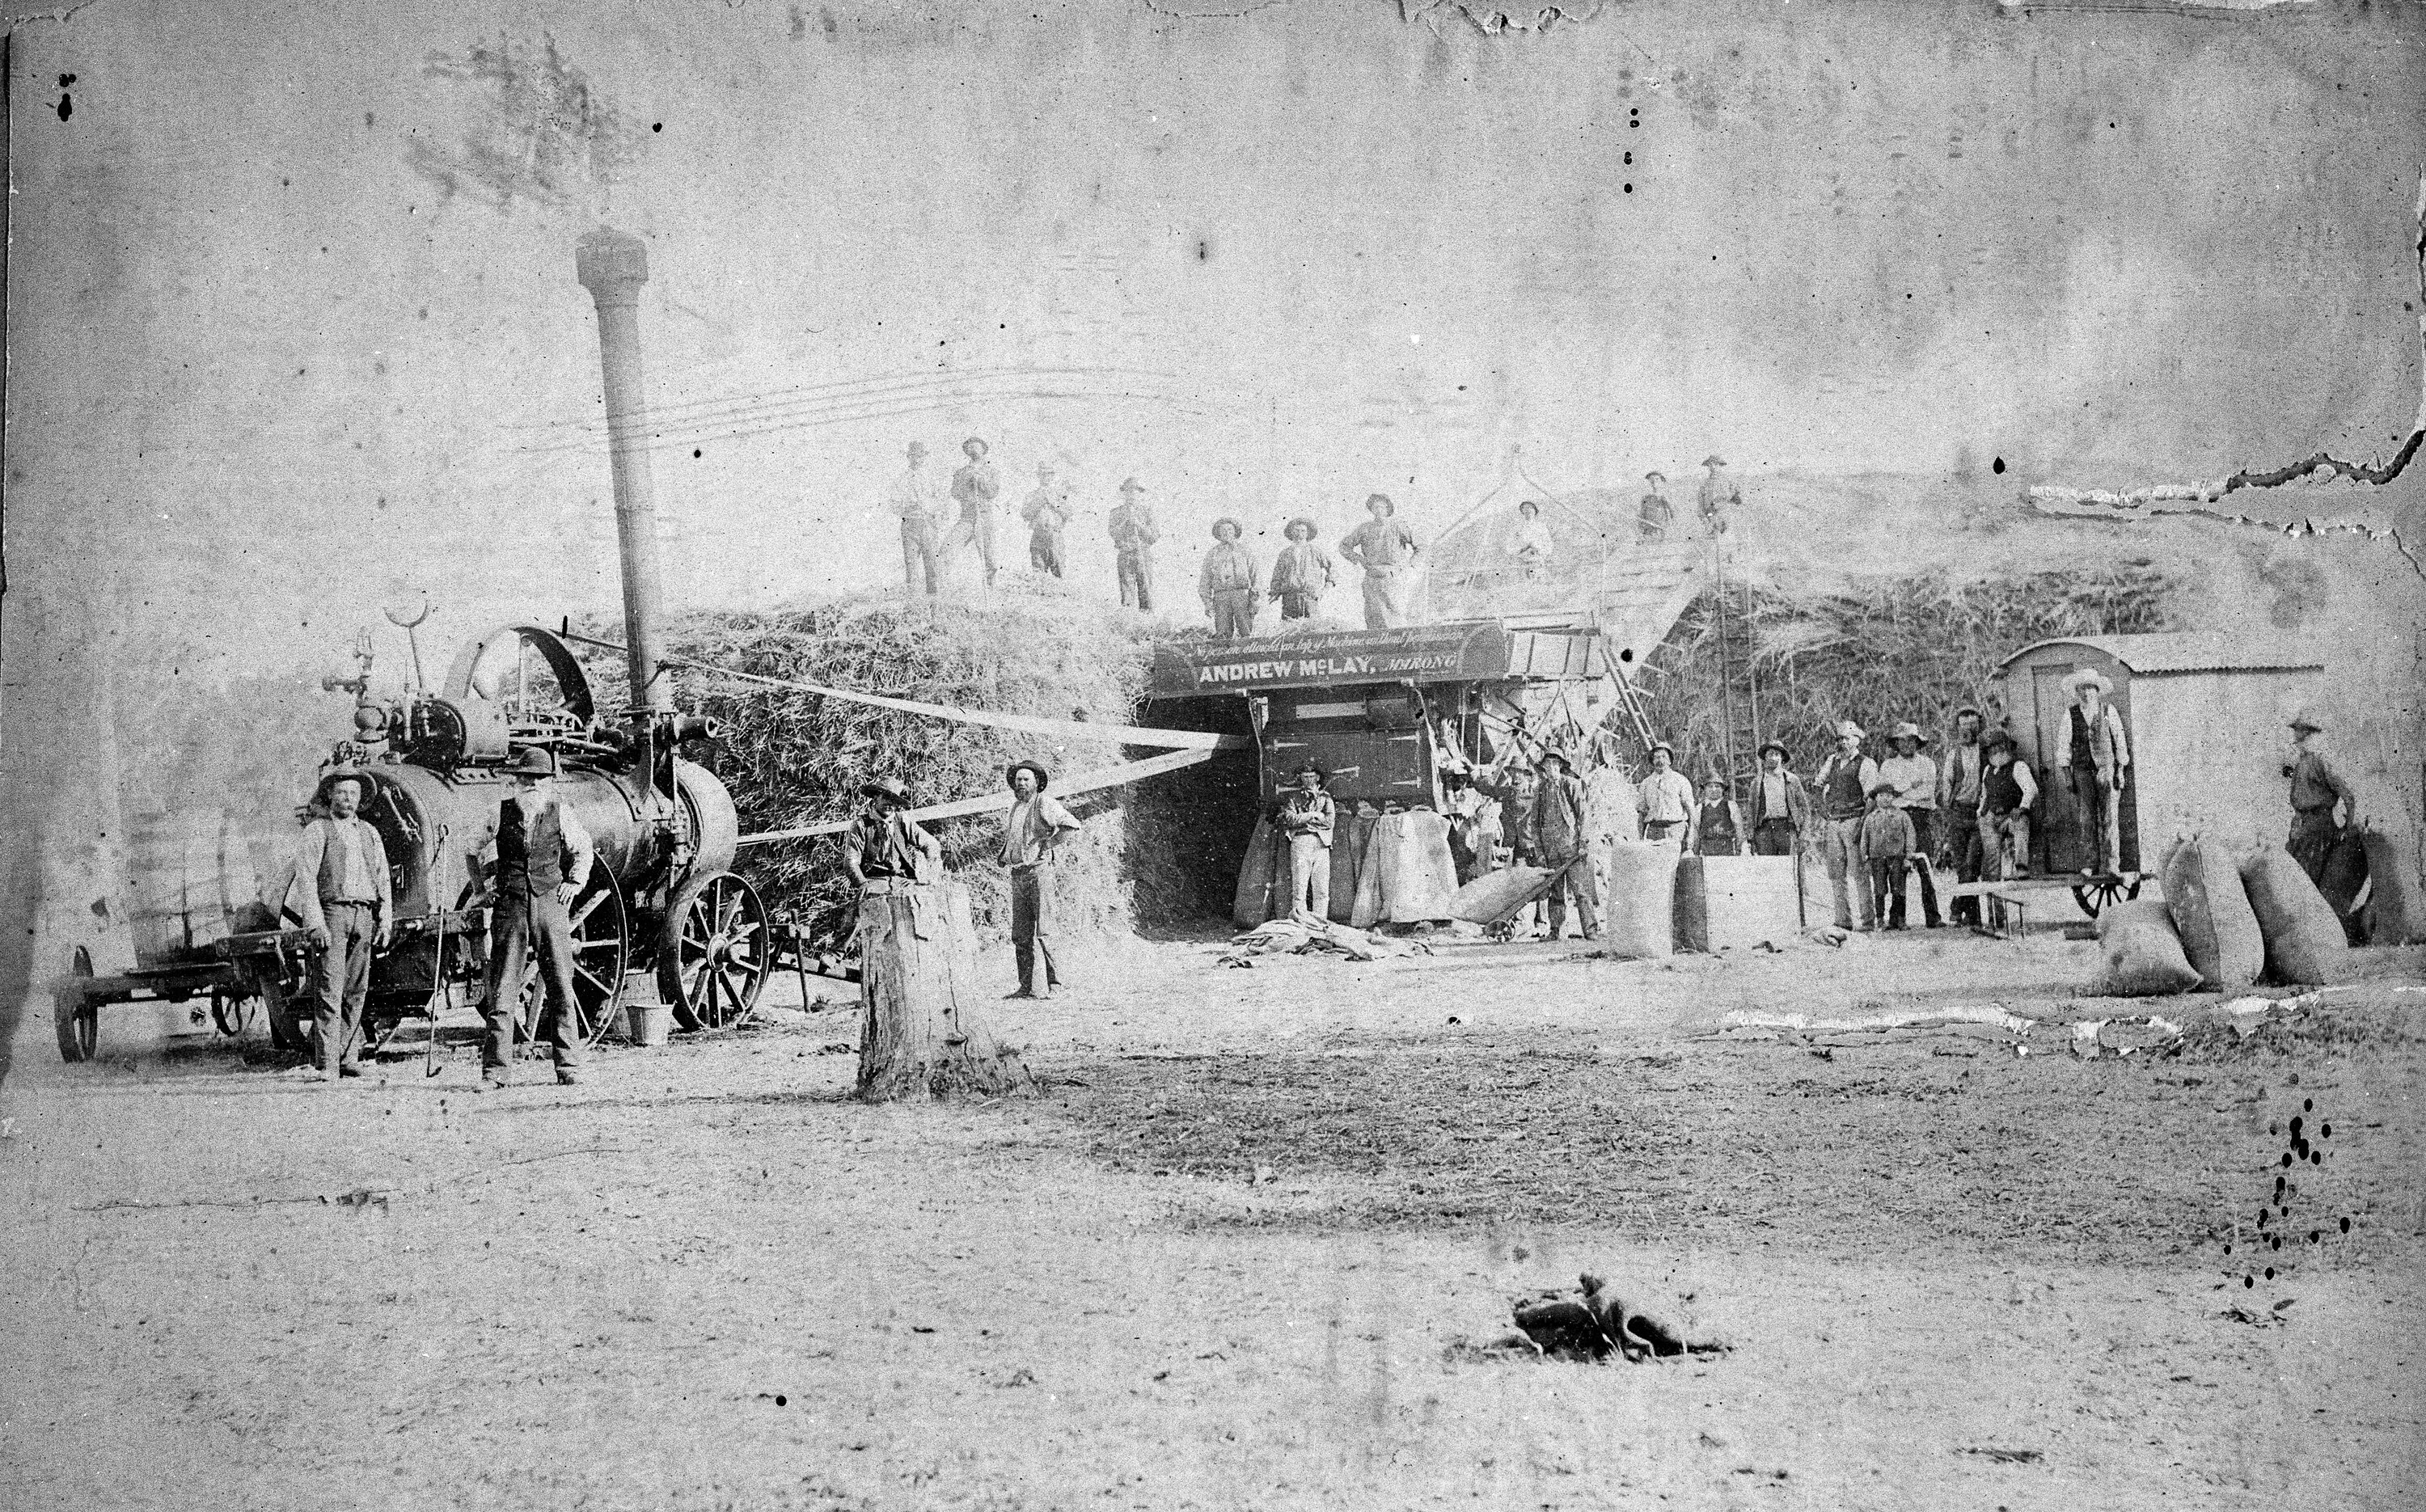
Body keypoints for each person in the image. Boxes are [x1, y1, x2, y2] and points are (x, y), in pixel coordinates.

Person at [479, 747, 595, 1091]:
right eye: (527, 777)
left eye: (540, 778)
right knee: (503, 990)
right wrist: (482, 888)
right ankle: (495, 1072)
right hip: (511, 906)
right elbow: (472, 848)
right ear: (516, 780)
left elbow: (583, 850)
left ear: (549, 782)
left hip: (550, 903)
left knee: (560, 983)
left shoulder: (561, 812)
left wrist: (575, 883)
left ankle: (568, 1065)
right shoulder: (498, 812)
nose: (532, 784)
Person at [291, 768, 392, 1082]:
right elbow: (306, 880)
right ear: (330, 796)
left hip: (364, 913)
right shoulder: (317, 831)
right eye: (342, 793)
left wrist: (385, 920)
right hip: (333, 913)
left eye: (354, 794)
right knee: (330, 989)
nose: (349, 799)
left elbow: (383, 879)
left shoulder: (370, 833)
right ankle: (327, 1064)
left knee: (356, 990)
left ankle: (348, 1057)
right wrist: (316, 923)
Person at [1000, 761, 1082, 999]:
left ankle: (1055, 985)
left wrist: (1047, 844)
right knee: (1020, 934)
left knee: (1045, 930)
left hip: (1039, 873)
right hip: (1018, 874)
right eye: (1018, 780)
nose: (1021, 783)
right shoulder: (1016, 807)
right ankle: (1026, 987)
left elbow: (1071, 825)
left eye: (1026, 779)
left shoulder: (1045, 803)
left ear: (1037, 783)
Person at [2057, 667, 2131, 875]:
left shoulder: (2108, 711)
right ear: (2077, 691)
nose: (2087, 692)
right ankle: (2090, 864)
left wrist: (2120, 770)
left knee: (2110, 818)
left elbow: (2120, 741)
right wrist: (2067, 776)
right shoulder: (2070, 714)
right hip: (2082, 773)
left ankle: (2112, 864)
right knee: (2086, 819)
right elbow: (2064, 746)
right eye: (2082, 688)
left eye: (2091, 688)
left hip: (2106, 770)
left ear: (2097, 691)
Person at [1878, 721, 1944, 929]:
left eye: (1911, 740)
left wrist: (1902, 793)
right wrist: (1908, 790)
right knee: (1898, 868)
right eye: (1902, 741)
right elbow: (1888, 793)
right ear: (1896, 743)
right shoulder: (1888, 766)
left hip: (1922, 817)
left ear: (1917, 742)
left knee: (1925, 865)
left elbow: (1927, 792)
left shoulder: (1928, 764)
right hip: (1897, 818)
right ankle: (1897, 918)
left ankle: (1933, 916)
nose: (1907, 744)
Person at [1814, 720, 1879, 931]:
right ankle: (1842, 920)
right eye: (1839, 739)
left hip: (1854, 820)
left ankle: (1867, 921)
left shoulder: (1866, 763)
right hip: (1834, 822)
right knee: (1836, 874)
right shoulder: (1831, 761)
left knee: (1859, 873)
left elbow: (1871, 797)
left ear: (1856, 740)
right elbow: (1818, 784)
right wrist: (1821, 806)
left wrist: (1863, 824)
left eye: (1846, 739)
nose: (1842, 743)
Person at [2283, 707, 2359, 889]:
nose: (2295, 735)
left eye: (2300, 730)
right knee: (2293, 876)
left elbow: (2348, 795)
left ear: (2308, 733)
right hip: (2302, 825)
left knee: (2306, 881)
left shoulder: (2321, 760)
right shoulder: (2303, 760)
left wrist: (2347, 828)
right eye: (2296, 730)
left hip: (2318, 828)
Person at [1532, 750, 1600, 941]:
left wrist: (1582, 843)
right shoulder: (1541, 790)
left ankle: (1591, 930)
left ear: (1561, 766)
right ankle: (1556, 930)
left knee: (1580, 890)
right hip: (1550, 849)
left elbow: (1583, 816)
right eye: (1548, 764)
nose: (1551, 768)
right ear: (1544, 768)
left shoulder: (1571, 785)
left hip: (1571, 846)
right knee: (1556, 892)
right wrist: (1540, 852)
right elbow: (1535, 824)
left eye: (1555, 763)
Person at [845, 776, 942, 893]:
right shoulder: (861, 824)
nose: (890, 804)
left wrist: (928, 875)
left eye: (894, 801)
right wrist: (862, 883)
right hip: (874, 882)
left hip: (903, 881)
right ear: (876, 797)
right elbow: (851, 861)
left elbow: (931, 844)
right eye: (886, 797)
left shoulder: (902, 821)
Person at [1338, 492, 1419, 630]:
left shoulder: (1398, 526)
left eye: (1382, 507)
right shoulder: (1364, 528)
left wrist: (1410, 565)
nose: (1379, 510)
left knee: (1395, 614)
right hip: (1372, 577)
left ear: (1388, 509)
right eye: (1375, 507)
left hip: (1393, 576)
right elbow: (1344, 546)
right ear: (1371, 509)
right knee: (1373, 616)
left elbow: (1421, 546)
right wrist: (1359, 559)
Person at [1938, 707, 1989, 925]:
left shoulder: (1986, 751)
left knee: (1973, 863)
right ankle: (1972, 915)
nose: (1968, 729)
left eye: (1972, 724)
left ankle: (1957, 905)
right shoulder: (1954, 754)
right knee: (1961, 865)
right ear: (1958, 728)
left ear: (1979, 725)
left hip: (1980, 812)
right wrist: (1948, 809)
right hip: (1959, 812)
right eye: (1964, 725)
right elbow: (1947, 782)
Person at [1274, 763, 1336, 921]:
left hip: (1322, 843)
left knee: (1321, 889)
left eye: (1312, 777)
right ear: (1300, 778)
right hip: (1301, 842)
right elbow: (1291, 820)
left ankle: (1320, 923)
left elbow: (1329, 822)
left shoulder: (1326, 797)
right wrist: (1313, 815)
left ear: (1318, 777)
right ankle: (1300, 923)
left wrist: (1304, 820)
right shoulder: (1293, 797)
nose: (1309, 780)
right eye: (1305, 777)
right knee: (1299, 888)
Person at [885, 440, 947, 598]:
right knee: (911, 565)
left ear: (924, 457)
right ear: (909, 457)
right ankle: (913, 603)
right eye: (914, 456)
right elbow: (893, 504)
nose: (917, 459)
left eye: (920, 456)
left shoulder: (932, 478)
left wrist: (930, 510)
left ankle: (934, 602)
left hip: (928, 524)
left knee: (932, 565)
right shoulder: (902, 479)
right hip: (910, 525)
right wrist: (906, 508)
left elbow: (942, 501)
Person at [943, 436, 1003, 587]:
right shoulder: (961, 472)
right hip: (967, 518)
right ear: (966, 451)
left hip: (984, 517)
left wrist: (980, 480)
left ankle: (992, 588)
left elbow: (992, 492)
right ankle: (943, 586)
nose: (973, 449)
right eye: (970, 447)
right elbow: (955, 493)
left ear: (983, 449)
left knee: (990, 558)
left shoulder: (992, 471)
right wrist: (968, 479)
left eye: (976, 446)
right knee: (947, 550)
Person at [1980, 729, 2039, 880]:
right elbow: (1984, 795)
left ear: (2007, 748)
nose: (1997, 752)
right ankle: (1993, 877)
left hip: (2011, 816)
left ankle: (2021, 868)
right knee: (1990, 847)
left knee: (2021, 823)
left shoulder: (2018, 766)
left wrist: (2022, 807)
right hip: (1993, 817)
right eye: (1993, 749)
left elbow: (2031, 789)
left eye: (2000, 748)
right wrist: (1981, 812)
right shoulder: (1987, 770)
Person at [1861, 783, 1919, 930]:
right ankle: (1880, 921)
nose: (1885, 799)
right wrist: (1865, 859)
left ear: (1893, 797)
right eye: (1881, 796)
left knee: (1899, 890)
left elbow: (1910, 836)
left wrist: (1908, 857)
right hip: (1877, 858)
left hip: (1897, 858)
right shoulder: (1870, 818)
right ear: (1876, 798)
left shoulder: (1902, 815)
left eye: (1888, 795)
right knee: (1879, 891)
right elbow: (1864, 840)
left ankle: (1901, 920)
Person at [1198, 517, 1261, 640]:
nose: (1227, 533)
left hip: (1242, 595)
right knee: (1222, 632)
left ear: (1235, 532)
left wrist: (1255, 599)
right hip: (1221, 597)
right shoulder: (1212, 554)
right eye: (1223, 530)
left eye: (1230, 530)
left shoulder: (1245, 551)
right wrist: (1207, 602)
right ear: (1218, 534)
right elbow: (1205, 579)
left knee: (1246, 630)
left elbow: (1255, 576)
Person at [1269, 517, 1337, 621]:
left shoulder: (1315, 551)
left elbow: (1332, 568)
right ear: (1291, 533)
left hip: (1309, 597)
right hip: (1289, 599)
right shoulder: (1285, 554)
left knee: (1312, 626)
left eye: (1303, 531)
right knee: (1289, 627)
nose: (1299, 534)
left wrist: (1325, 589)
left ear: (1308, 533)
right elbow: (1277, 575)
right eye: (1296, 530)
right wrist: (1274, 593)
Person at [1747, 741, 1807, 856]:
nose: (1773, 758)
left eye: (1777, 754)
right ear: (1765, 758)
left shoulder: (1792, 780)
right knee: (1767, 865)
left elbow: (1805, 809)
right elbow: (1751, 811)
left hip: (1786, 829)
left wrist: (1804, 834)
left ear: (1782, 758)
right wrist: (1750, 835)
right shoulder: (1757, 783)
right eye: (1770, 754)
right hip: (1764, 831)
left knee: (1788, 864)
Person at [1108, 478, 1158, 611]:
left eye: (1135, 491)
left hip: (1143, 554)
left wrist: (1138, 524)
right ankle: (1128, 618)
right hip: (1126, 555)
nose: (1131, 494)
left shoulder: (1147, 512)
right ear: (1124, 493)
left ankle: (1147, 619)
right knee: (1127, 593)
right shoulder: (1116, 513)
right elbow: (1113, 533)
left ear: (1140, 494)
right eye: (1128, 491)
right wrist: (1125, 523)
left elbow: (1154, 536)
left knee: (1146, 590)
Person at [1635, 742, 1697, 846]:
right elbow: (1642, 813)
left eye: (1664, 757)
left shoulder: (1680, 780)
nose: (1660, 761)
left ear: (1670, 761)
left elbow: (1691, 810)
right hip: (1654, 832)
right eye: (1657, 757)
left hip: (1676, 831)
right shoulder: (1646, 783)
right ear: (1652, 761)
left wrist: (1691, 835)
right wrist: (1641, 838)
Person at [1021, 462, 1071, 578]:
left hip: (1055, 535)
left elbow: (1068, 513)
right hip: (1038, 535)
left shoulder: (1059, 495)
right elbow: (1025, 514)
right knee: (1038, 572)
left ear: (1052, 476)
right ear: (1038, 476)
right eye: (1043, 474)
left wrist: (1053, 503)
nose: (1046, 477)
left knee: (1059, 571)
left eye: (1049, 474)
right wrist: (1039, 502)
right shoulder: (1032, 495)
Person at [1693, 779, 1748, 857]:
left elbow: (1739, 830)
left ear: (1723, 789)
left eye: (1717, 786)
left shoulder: (1731, 805)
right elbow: (1695, 833)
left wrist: (1739, 850)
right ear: (1705, 789)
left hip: (1727, 850)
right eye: (1710, 786)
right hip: (1706, 851)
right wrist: (1696, 852)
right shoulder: (1699, 808)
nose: (1714, 789)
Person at [1507, 500, 1555, 579]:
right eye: (1525, 508)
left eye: (1530, 508)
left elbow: (1548, 544)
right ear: (1522, 511)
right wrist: (1523, 548)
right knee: (1524, 581)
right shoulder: (1517, 528)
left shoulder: (1541, 527)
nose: (1528, 510)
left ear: (1535, 510)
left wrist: (1538, 548)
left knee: (1538, 580)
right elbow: (1510, 545)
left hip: (1538, 560)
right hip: (1522, 561)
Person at [1697, 455, 1739, 537]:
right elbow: (1701, 505)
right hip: (1710, 518)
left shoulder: (1728, 482)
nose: (1713, 467)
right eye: (1710, 464)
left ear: (1720, 466)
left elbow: (1734, 501)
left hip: (1725, 518)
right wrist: (1706, 521)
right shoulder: (1705, 484)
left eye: (1716, 464)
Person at [1637, 471, 1674, 543]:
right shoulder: (1646, 499)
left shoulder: (1664, 498)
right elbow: (1642, 516)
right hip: (1649, 532)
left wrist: (1668, 529)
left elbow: (1671, 515)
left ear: (1662, 481)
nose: (1654, 482)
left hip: (1662, 531)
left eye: (1657, 479)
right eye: (1651, 480)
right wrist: (1641, 534)